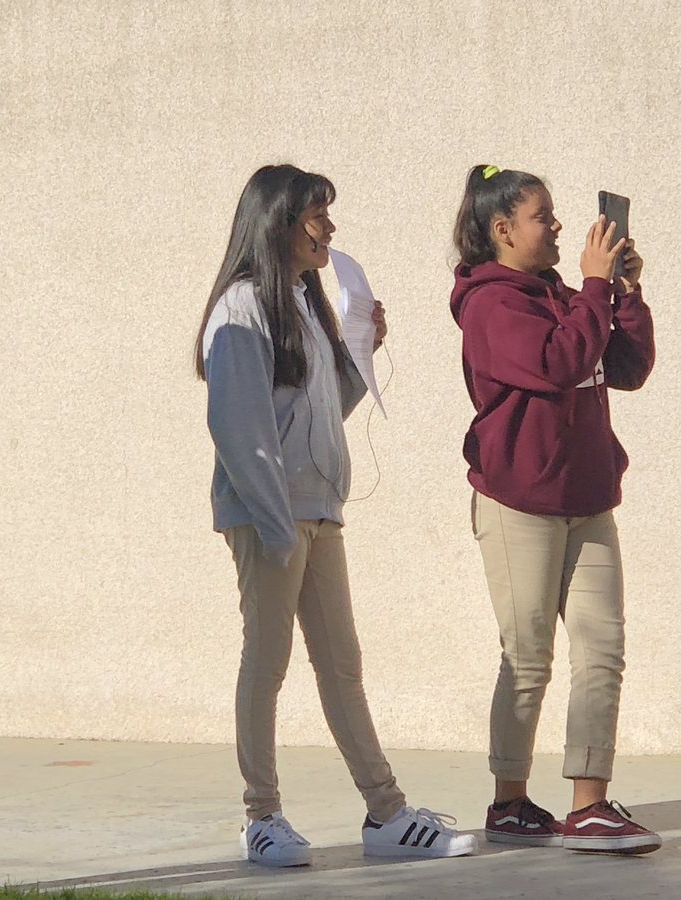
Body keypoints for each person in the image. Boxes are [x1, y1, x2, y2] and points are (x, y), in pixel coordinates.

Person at [195, 164, 477, 867]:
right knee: (267, 662)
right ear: (279, 223)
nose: (330, 226)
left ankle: (386, 813)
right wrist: (274, 522)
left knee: (342, 664)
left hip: (317, 510)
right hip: (273, 517)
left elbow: (316, 412)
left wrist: (360, 353)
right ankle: (261, 816)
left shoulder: (300, 302)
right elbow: (239, 429)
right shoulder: (240, 309)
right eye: (318, 214)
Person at [449, 164, 660, 854]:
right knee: (529, 656)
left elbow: (625, 366)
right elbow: (556, 363)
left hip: (589, 498)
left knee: (603, 647)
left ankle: (589, 804)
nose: (561, 227)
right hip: (521, 503)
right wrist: (595, 289)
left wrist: (622, 290)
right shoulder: (491, 305)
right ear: (502, 230)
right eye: (544, 216)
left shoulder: (568, 295)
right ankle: (510, 802)